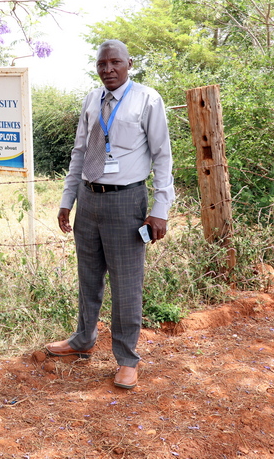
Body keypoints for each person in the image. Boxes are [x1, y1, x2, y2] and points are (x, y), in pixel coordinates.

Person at [45, 39, 174, 389]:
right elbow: (79, 151)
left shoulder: (148, 99)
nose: (108, 70)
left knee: (126, 285)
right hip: (89, 199)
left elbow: (162, 156)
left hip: (126, 201)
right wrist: (67, 199)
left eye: (115, 63)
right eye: (102, 64)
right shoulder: (92, 98)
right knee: (88, 277)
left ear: (129, 63)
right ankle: (83, 339)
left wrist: (160, 209)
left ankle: (127, 359)